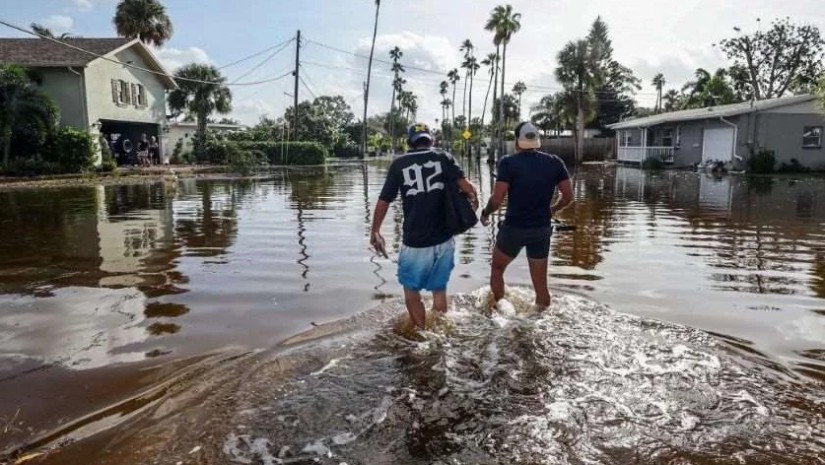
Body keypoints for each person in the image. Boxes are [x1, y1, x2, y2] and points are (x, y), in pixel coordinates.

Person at [370, 123, 479, 329]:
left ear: (410, 142)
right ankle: (440, 330)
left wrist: (375, 230)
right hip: (444, 238)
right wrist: (474, 198)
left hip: (415, 240)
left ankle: (421, 334)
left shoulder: (399, 164)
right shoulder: (443, 157)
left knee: (412, 292)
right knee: (439, 290)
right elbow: (467, 188)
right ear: (431, 140)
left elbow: (384, 201)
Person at [480, 122, 574, 310]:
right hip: (541, 230)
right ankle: (539, 319)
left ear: (517, 141)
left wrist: (485, 213)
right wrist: (552, 210)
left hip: (513, 229)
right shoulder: (555, 162)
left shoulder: (508, 163)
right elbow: (568, 196)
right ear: (537, 140)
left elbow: (497, 199)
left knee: (497, 269)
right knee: (541, 288)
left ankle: (501, 310)